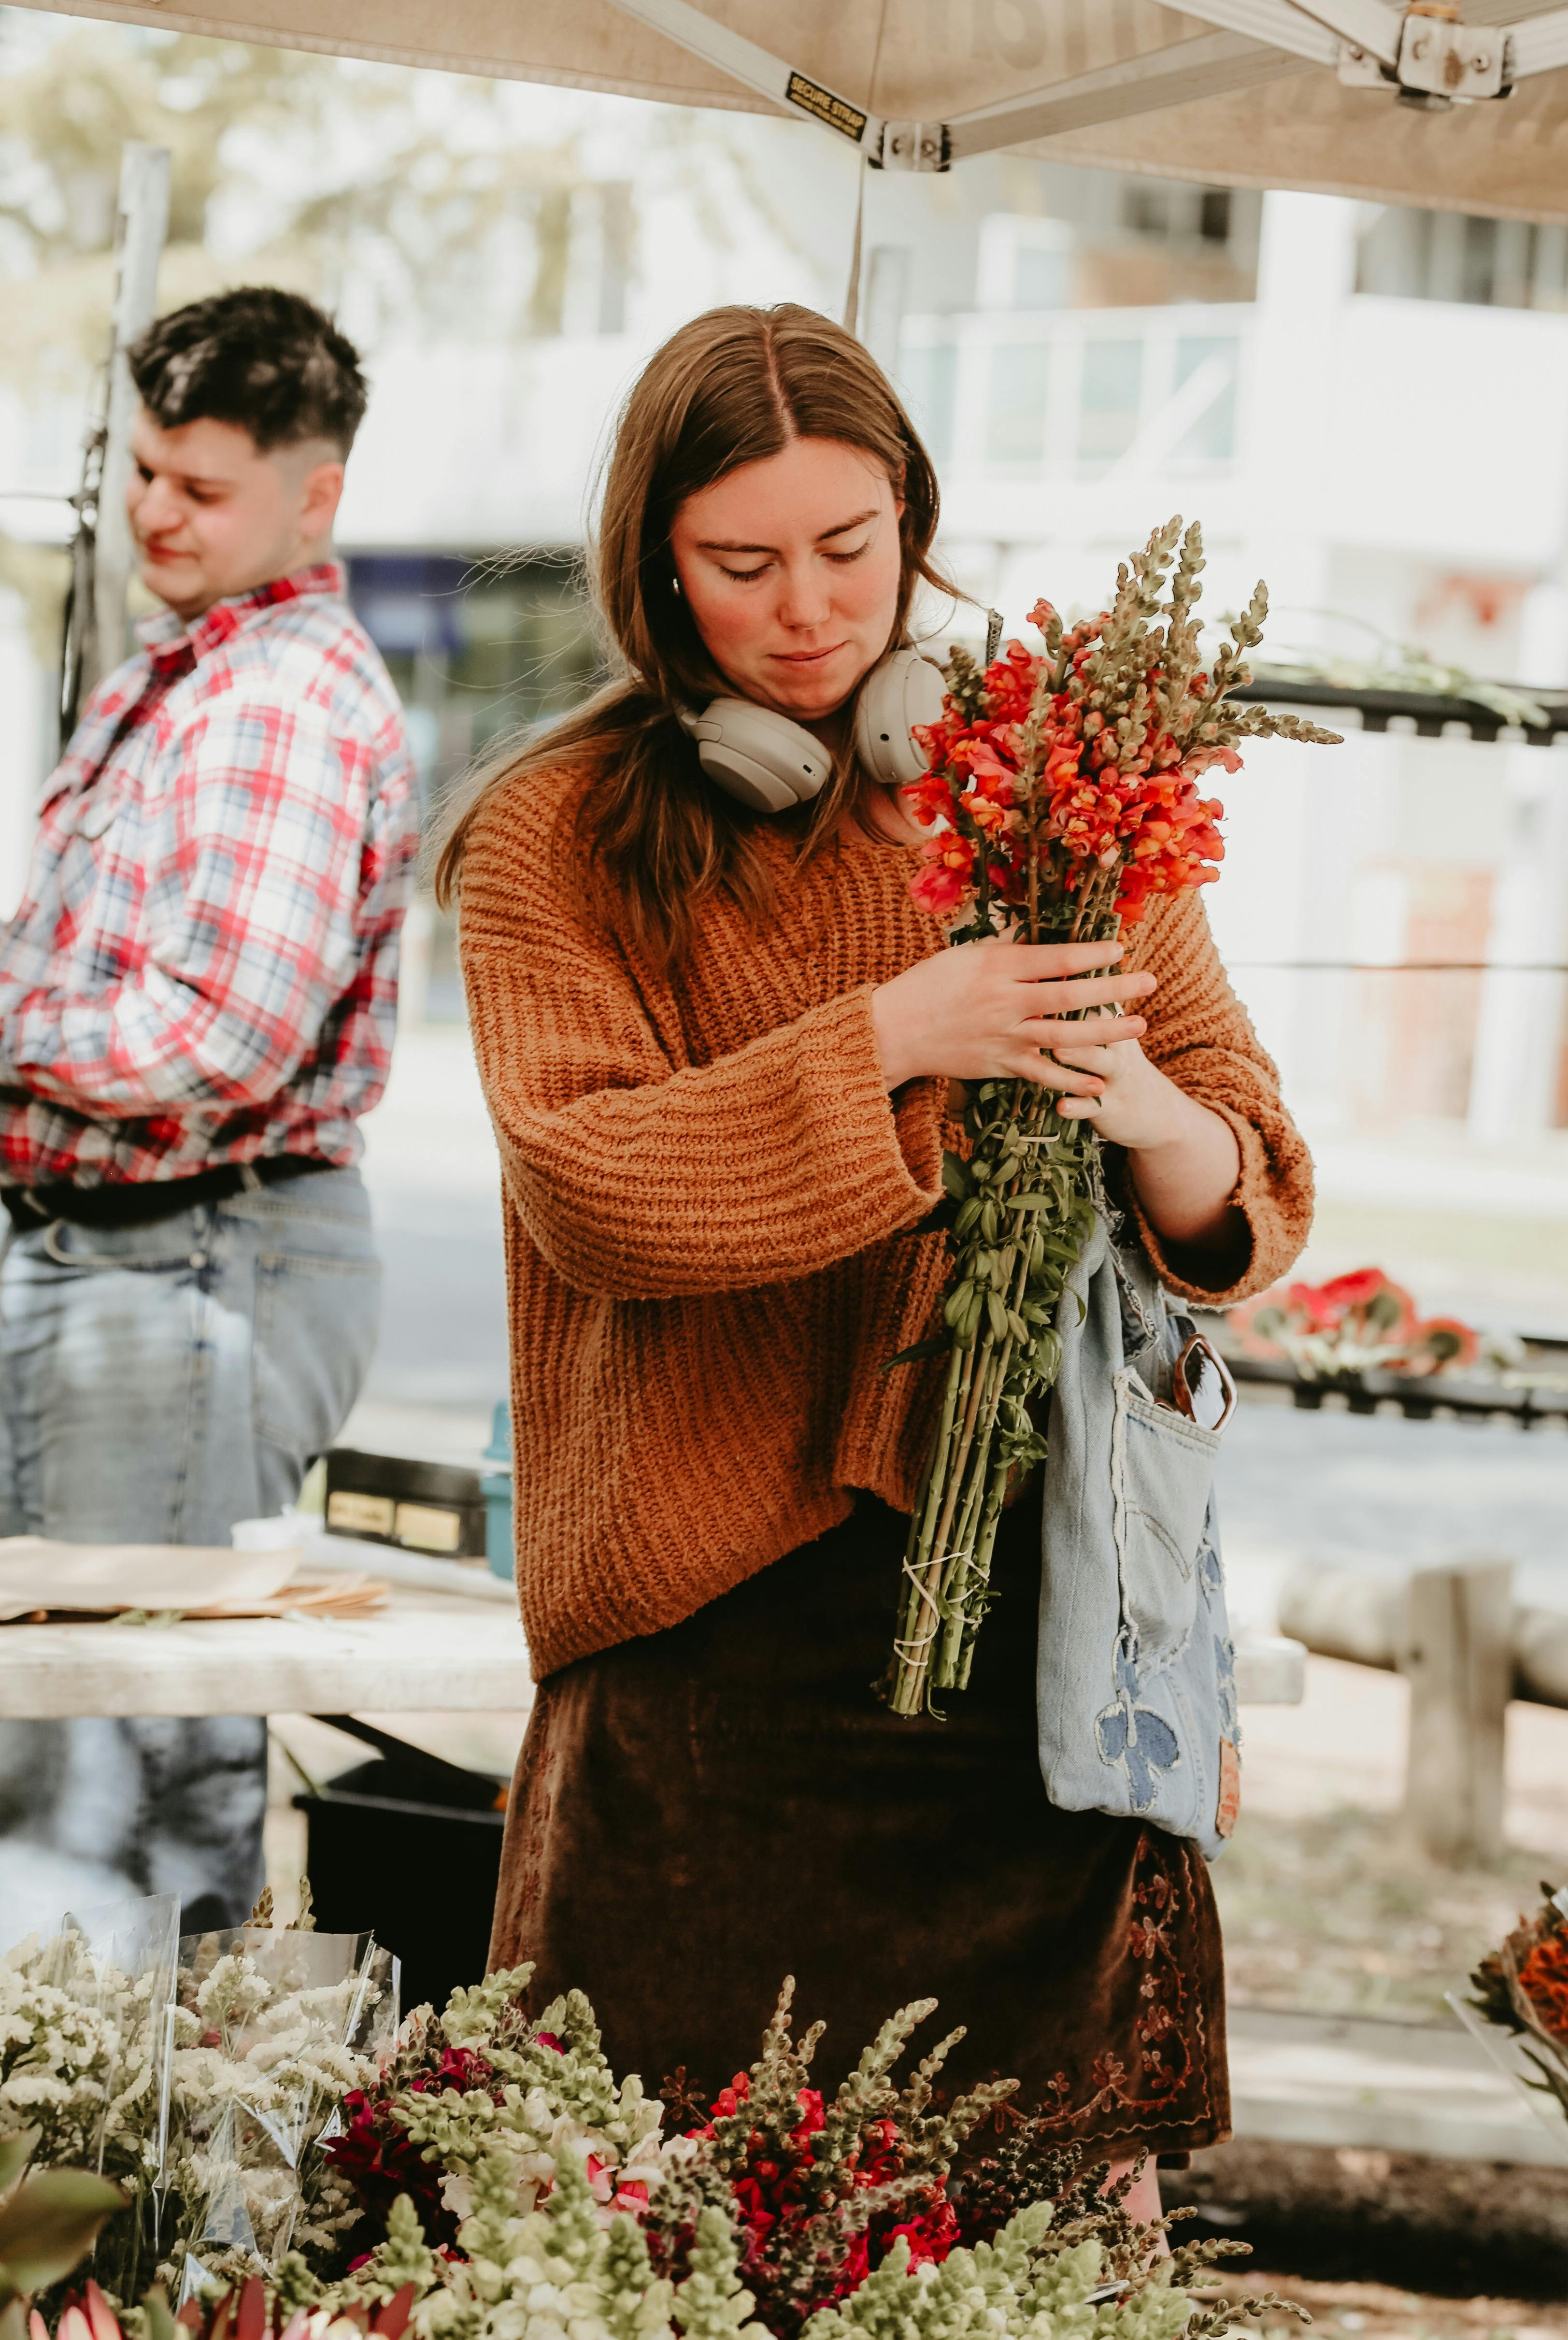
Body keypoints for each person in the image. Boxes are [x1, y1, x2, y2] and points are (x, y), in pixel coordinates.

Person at [442, 303, 1312, 2216]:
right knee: (645, 2237)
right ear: (651, 564)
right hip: (701, 1658)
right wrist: (904, 1036)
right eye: (740, 563)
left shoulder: (1056, 793)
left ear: (915, 519)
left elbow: (1242, 1179)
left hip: (1030, 1643)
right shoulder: (550, 838)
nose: (809, 610)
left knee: (1024, 2239)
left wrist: (1147, 1114)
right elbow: (595, 1193)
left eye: (850, 548)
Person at [0, 286, 418, 1935]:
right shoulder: (192, 672)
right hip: (135, 1260)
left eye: (204, 487)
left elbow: (219, 1037)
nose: (158, 514)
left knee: (137, 1761)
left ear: (316, 496)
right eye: (147, 472)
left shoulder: (273, 702)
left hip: (186, 1265)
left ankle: (163, 2110)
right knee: (75, 1746)